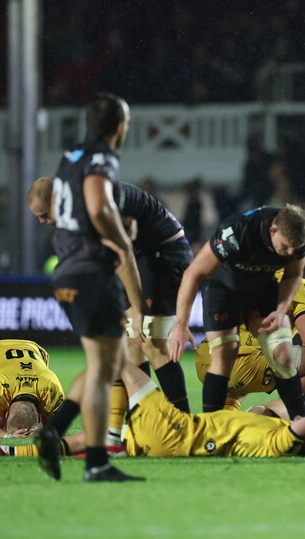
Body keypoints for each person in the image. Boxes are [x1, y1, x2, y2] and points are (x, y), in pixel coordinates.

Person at [28, 92, 146, 482]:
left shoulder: (71, 156)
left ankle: (57, 434)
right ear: (119, 127)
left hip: (69, 271)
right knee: (103, 369)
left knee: (105, 365)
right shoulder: (100, 158)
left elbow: (74, 208)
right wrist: (121, 239)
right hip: (90, 272)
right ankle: (95, 462)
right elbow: (97, 207)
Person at [29, 176, 193, 419]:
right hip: (141, 255)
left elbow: (124, 255)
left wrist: (137, 310)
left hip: (163, 254)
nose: (42, 221)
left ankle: (184, 422)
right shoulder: (77, 207)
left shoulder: (93, 207)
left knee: (152, 341)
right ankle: (142, 422)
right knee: (131, 347)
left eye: (44, 214)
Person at [0, 361, 305, 458]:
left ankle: (112, 433)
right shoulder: (272, 441)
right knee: (82, 443)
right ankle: (5, 450)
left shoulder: (283, 441)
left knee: (117, 356)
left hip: (175, 430)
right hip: (164, 442)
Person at [167, 205, 305, 422]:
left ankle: (299, 424)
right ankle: (211, 429)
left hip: (262, 287)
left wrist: (281, 310)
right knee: (225, 353)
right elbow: (193, 274)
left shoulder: (299, 239)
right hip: (223, 287)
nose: (291, 253)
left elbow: (292, 276)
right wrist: (180, 324)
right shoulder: (236, 233)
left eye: (296, 248)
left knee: (283, 353)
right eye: (286, 246)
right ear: (273, 231)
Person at [193, 261, 305, 410]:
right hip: (239, 364)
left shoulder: (262, 275)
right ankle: (280, 414)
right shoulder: (300, 283)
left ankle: (226, 415)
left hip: (208, 364)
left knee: (257, 357)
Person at [0, 339, 64, 439]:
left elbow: (54, 428)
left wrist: (40, 432)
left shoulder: (53, 390)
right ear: (6, 414)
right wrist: (8, 435)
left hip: (35, 350)